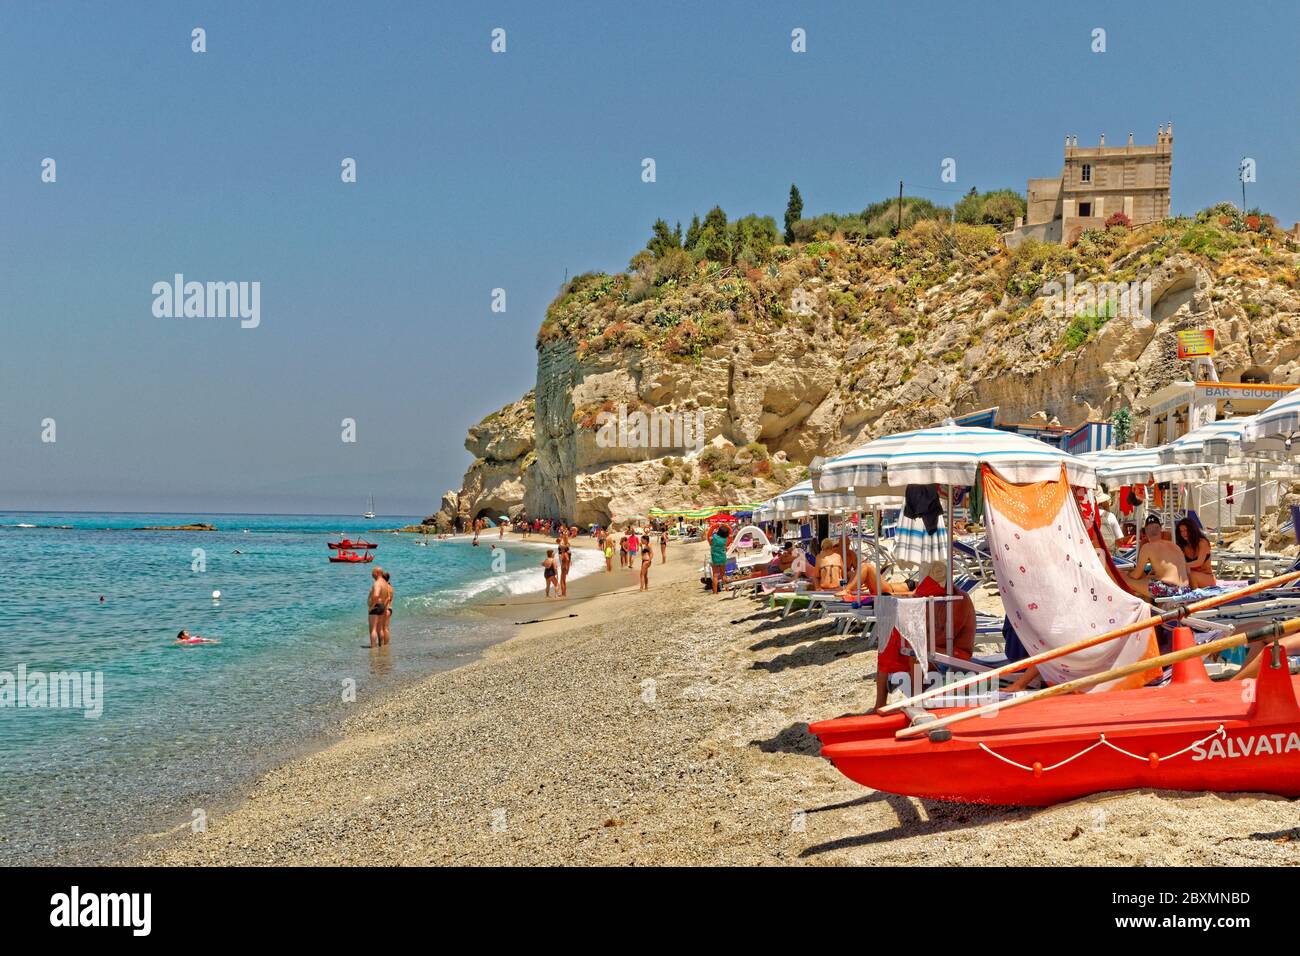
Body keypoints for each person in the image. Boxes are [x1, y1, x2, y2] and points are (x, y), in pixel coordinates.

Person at [1126, 515, 1190, 601]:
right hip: (1185, 590)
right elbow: (1187, 571)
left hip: (1169, 590)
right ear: (1160, 529)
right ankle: (1150, 606)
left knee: (1124, 579)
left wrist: (1127, 574)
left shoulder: (1147, 547)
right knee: (1148, 580)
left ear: (1145, 532)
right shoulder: (1175, 546)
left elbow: (1136, 575)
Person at [1176, 516, 1215, 590]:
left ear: (1192, 530)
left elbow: (1199, 562)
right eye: (1181, 531)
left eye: (1186, 530)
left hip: (1207, 578)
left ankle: (1195, 598)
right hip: (1190, 577)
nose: (1184, 533)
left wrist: (1181, 566)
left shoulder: (1202, 542)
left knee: (1191, 575)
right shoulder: (1183, 546)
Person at [367, 567, 393, 648]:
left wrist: (371, 606)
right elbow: (387, 597)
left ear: (377, 573)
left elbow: (376, 595)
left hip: (376, 606)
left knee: (373, 629)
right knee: (380, 628)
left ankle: (373, 648)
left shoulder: (377, 583)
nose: (372, 574)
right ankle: (382, 646)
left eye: (373, 572)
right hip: (382, 606)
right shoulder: (385, 584)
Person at [709, 523, 731, 594]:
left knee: (715, 575)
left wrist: (715, 526)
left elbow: (709, 533)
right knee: (723, 574)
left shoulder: (714, 537)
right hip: (722, 557)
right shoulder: (726, 540)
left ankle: (715, 592)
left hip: (715, 557)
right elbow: (730, 534)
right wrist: (726, 525)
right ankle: (727, 589)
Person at [382, 570, 394, 645]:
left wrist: (383, 608)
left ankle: (385, 645)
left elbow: (388, 598)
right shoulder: (390, 586)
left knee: (384, 628)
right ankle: (386, 644)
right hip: (390, 608)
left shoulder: (386, 587)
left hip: (386, 608)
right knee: (386, 628)